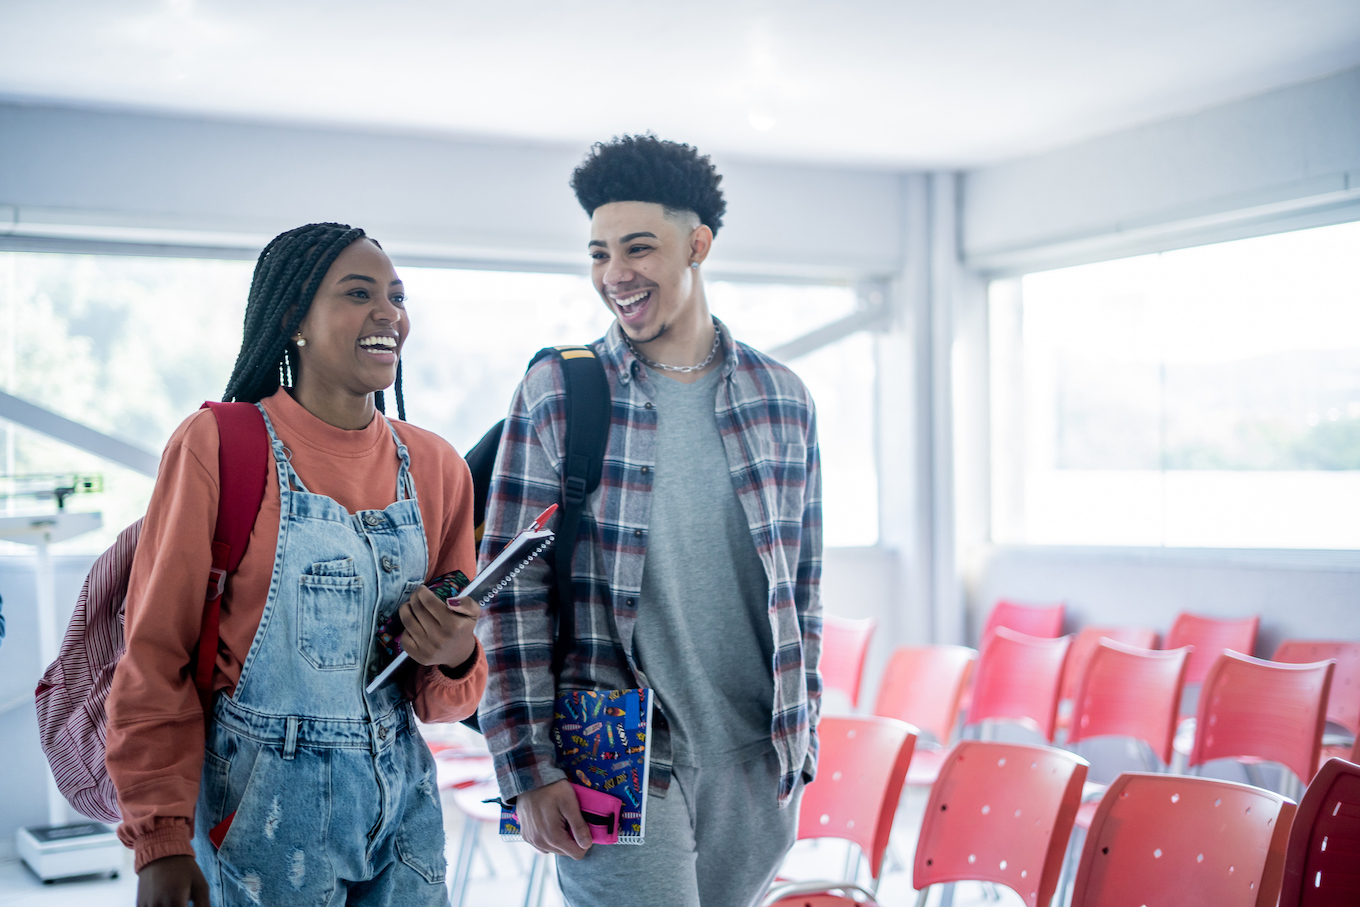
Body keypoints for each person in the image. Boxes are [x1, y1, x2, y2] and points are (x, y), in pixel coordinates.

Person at [476, 135, 823, 907]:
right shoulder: (559, 391)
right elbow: (510, 595)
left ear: (698, 245)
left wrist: (803, 737)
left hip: (757, 758)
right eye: (599, 253)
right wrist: (526, 767)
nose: (614, 274)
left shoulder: (783, 399)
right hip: (613, 743)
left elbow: (803, 586)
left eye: (639, 248)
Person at [106, 223, 487, 907]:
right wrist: (158, 839)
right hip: (257, 812)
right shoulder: (218, 445)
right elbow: (154, 657)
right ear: (294, 320)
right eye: (359, 293)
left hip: (404, 812)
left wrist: (456, 653)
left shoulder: (438, 468)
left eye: (396, 297)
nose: (389, 315)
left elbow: (443, 701)